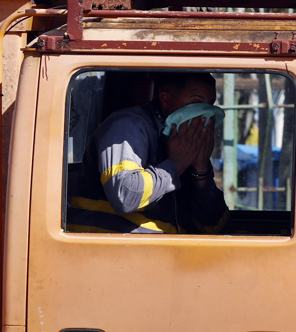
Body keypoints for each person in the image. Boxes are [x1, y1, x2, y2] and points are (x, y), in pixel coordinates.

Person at [67, 71, 228, 234]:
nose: (205, 113)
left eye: (210, 104)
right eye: (196, 102)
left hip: (164, 255)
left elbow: (213, 226)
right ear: (165, 99)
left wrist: (200, 171)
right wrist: (176, 164)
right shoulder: (127, 127)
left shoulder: (185, 144)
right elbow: (125, 197)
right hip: (109, 253)